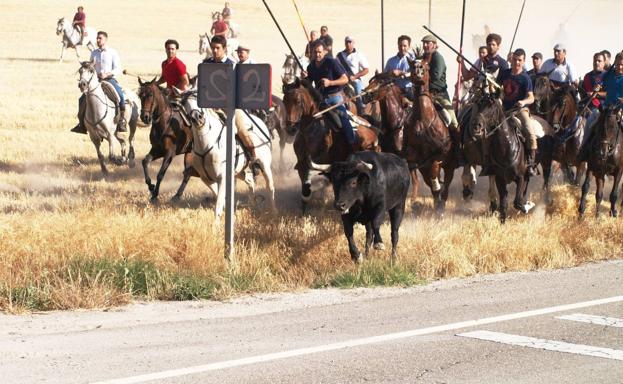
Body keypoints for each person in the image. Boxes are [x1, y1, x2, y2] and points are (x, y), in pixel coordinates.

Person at [202, 35, 256, 163]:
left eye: (218, 48)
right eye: (213, 48)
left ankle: (254, 159)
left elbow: (238, 89)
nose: (215, 51)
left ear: (225, 49)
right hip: (208, 106)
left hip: (230, 107)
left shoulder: (232, 65)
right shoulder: (206, 64)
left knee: (242, 130)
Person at [302, 41, 358, 151]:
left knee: (342, 120)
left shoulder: (332, 62)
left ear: (325, 52)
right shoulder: (311, 66)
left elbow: (345, 79)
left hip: (334, 98)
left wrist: (330, 83)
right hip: (319, 100)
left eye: (319, 52)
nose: (317, 55)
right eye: (315, 52)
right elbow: (308, 84)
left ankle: (352, 145)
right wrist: (304, 78)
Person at [492, 48, 537, 176]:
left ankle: (530, 162)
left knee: (530, 131)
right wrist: (498, 97)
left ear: (523, 61)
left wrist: (523, 102)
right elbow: (497, 89)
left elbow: (531, 97)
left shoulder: (525, 78)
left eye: (519, 60)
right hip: (503, 110)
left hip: (519, 110)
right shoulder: (504, 73)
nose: (517, 62)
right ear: (511, 59)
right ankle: (489, 161)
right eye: (515, 59)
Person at [71, 31, 126, 134]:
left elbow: (118, 68)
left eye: (100, 38)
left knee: (120, 95)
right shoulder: (94, 53)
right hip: (97, 81)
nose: (97, 40)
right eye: (97, 38)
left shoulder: (112, 52)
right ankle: (81, 124)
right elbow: (91, 68)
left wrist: (107, 74)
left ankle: (121, 121)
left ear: (105, 39)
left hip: (109, 79)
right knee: (82, 99)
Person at [421, 34, 462, 164]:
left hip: (439, 95)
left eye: (428, 43)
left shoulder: (438, 58)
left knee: (453, 122)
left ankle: (457, 152)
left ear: (434, 44)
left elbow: (436, 76)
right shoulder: (422, 58)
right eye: (424, 43)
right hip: (423, 95)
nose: (426, 45)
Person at [577, 51, 623, 162]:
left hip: (620, 109)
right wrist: (598, 88)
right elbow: (602, 87)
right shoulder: (608, 75)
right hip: (607, 108)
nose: (620, 67)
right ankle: (583, 150)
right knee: (590, 122)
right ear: (614, 63)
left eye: (622, 64)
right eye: (618, 64)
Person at [336, 36, 369, 114]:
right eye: (347, 42)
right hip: (342, 80)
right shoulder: (339, 55)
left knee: (358, 89)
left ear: (353, 43)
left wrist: (355, 77)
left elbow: (366, 70)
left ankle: (361, 109)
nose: (348, 44)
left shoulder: (359, 55)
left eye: (350, 42)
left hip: (354, 80)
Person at [384, 35, 415, 100]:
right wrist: (390, 74)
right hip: (393, 92)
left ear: (409, 46)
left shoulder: (414, 60)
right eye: (400, 45)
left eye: (405, 46)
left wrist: (400, 73)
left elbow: (415, 76)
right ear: (398, 46)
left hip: (408, 91)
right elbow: (385, 76)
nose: (402, 48)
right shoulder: (391, 61)